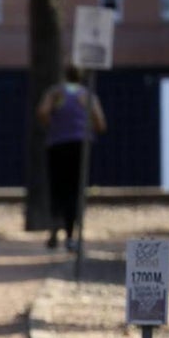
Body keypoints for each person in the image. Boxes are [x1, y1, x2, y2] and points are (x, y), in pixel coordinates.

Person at [36, 64, 108, 252]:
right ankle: (70, 235)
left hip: (57, 144)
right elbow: (101, 122)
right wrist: (87, 128)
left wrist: (53, 126)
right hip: (80, 146)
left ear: (64, 74)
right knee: (75, 190)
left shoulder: (55, 93)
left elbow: (43, 112)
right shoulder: (87, 95)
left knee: (56, 187)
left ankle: (53, 228)